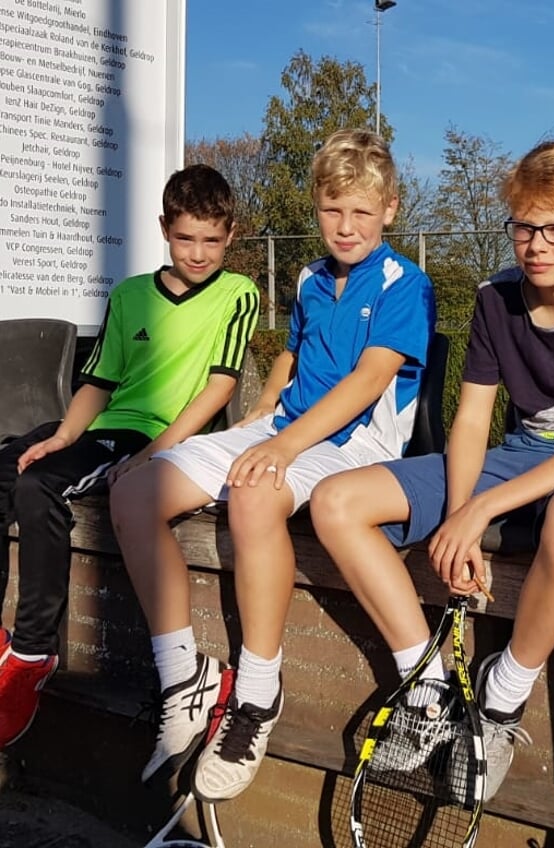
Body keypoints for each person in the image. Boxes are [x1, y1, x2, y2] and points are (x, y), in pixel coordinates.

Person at [310, 134, 554, 802]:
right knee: (335, 502)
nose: (538, 244)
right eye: (525, 226)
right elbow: (471, 420)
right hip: (523, 454)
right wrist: (455, 519)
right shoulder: (495, 295)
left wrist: (478, 512)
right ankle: (429, 688)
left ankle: (501, 699)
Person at [111, 129, 436, 801]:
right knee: (137, 491)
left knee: (256, 494)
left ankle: (257, 695)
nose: (345, 227)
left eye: (361, 212)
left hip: (354, 448)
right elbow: (293, 354)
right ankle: (184, 678)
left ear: (391, 210)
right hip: (288, 429)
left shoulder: (409, 283)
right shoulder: (311, 277)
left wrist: (280, 449)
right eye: (331, 209)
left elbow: (370, 380)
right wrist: (263, 415)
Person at [0, 164, 258, 750]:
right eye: (186, 237)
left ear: (232, 235)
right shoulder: (130, 294)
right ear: (164, 228)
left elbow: (218, 387)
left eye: (212, 240)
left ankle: (34, 652)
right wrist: (63, 435)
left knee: (39, 486)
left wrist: (155, 453)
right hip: (104, 427)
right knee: (8, 465)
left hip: (156, 439)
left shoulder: (238, 293)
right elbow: (99, 382)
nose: (198, 252)